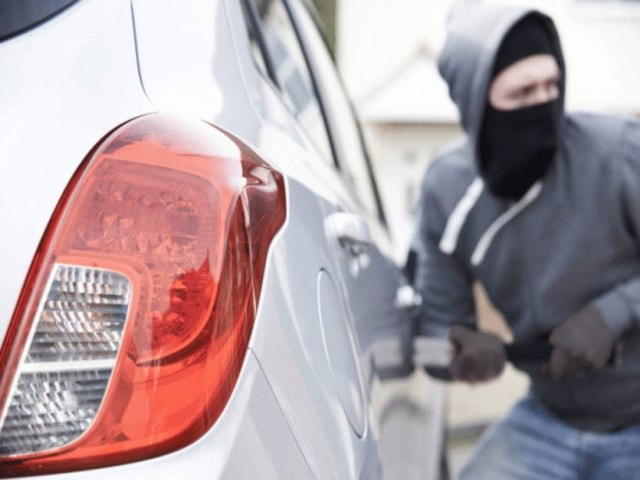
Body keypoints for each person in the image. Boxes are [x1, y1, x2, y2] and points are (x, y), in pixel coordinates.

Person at [414, 4, 640, 479]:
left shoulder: (619, 153)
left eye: (551, 86)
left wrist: (611, 314)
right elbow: (436, 333)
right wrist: (463, 354)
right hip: (547, 421)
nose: (544, 104)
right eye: (523, 92)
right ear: (477, 100)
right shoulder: (448, 192)